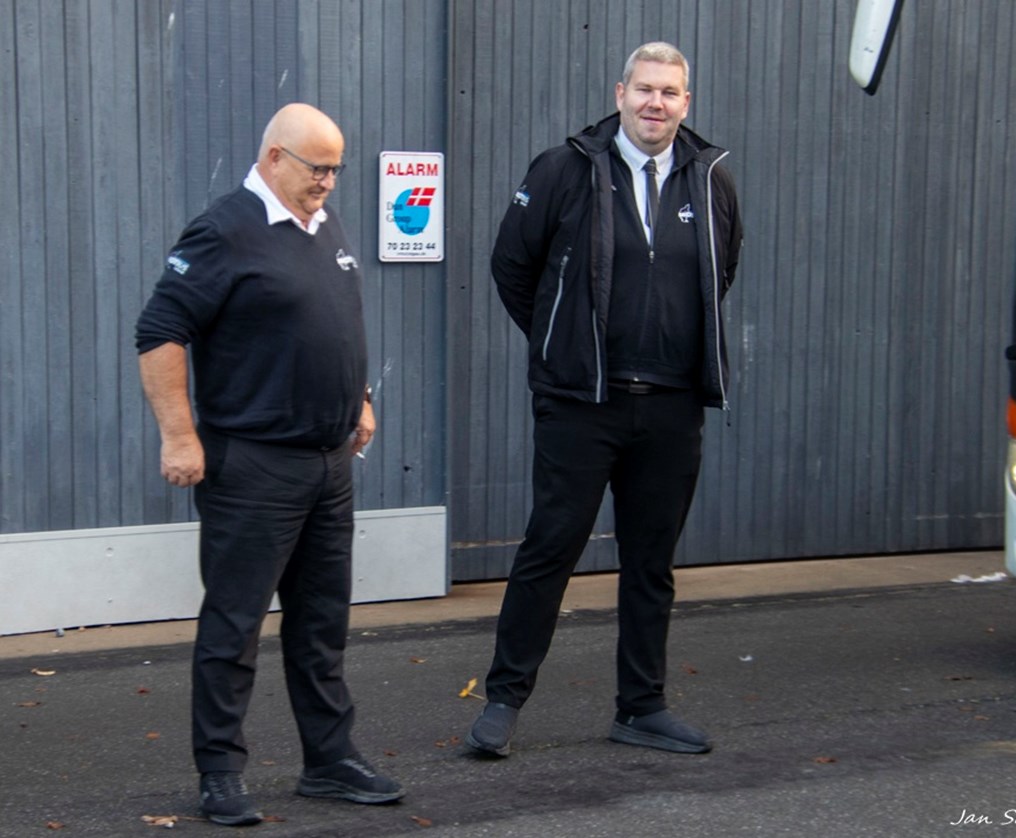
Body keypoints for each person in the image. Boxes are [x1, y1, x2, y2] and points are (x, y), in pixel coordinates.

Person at [466, 42, 744, 757]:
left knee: (652, 563)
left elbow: (721, 270)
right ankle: (503, 701)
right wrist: (562, 342)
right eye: (645, 89)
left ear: (686, 102)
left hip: (671, 406)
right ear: (620, 93)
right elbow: (511, 264)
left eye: (670, 93)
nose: (656, 103)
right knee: (549, 550)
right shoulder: (564, 170)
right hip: (582, 403)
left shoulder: (709, 179)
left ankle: (641, 707)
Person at [135, 103, 403, 826]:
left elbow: (333, 322)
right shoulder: (224, 230)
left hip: (328, 465)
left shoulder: (322, 224)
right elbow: (159, 332)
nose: (328, 182)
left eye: (336, 170)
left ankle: (330, 760)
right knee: (235, 626)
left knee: (321, 623)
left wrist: (360, 397)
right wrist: (179, 436)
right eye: (318, 168)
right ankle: (220, 771)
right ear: (275, 157)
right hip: (253, 467)